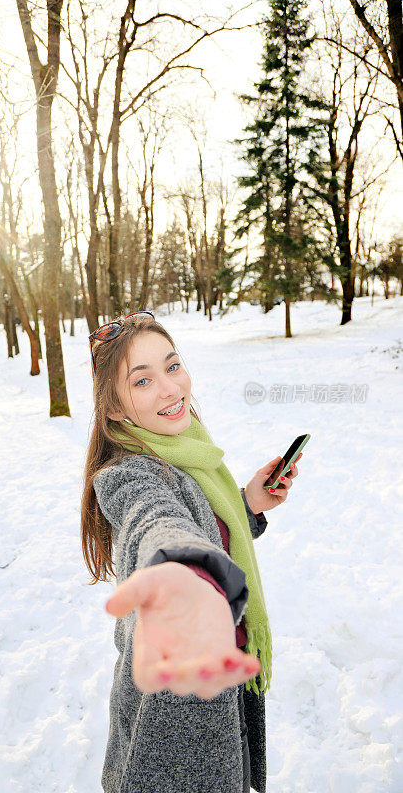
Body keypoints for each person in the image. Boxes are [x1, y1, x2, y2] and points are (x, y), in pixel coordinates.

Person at [80, 311, 301, 793]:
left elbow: (203, 524)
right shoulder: (131, 474)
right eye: (142, 381)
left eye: (172, 366)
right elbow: (156, 520)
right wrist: (180, 564)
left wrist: (246, 505)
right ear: (114, 407)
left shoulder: (187, 452)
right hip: (175, 713)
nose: (169, 389)